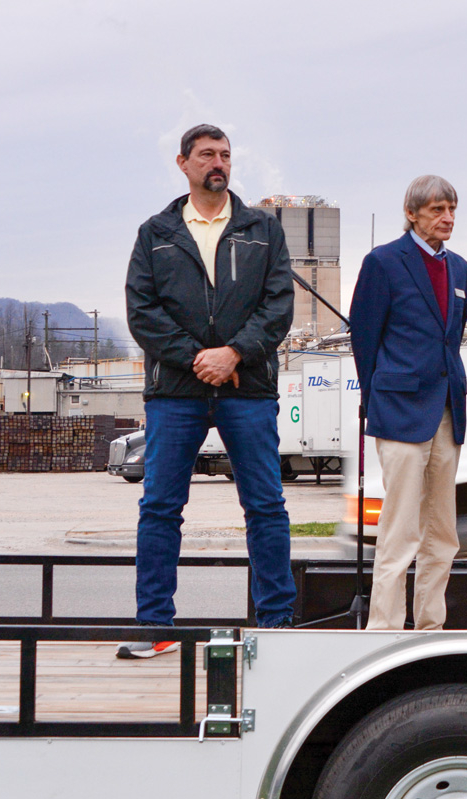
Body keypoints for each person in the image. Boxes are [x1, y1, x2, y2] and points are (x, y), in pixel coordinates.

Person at [121, 124, 297, 657]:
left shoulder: (263, 229)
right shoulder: (157, 233)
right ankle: (155, 628)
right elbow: (141, 312)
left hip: (249, 388)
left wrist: (235, 353)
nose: (217, 163)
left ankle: (277, 625)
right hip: (176, 391)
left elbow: (279, 304)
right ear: (183, 164)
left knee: (265, 506)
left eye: (224, 155)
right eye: (206, 155)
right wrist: (199, 359)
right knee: (160, 507)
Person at [349, 175, 467, 631]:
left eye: (452, 209)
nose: (447, 218)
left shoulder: (459, 268)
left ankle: (429, 627)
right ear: (412, 212)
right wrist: (377, 396)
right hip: (400, 410)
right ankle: (382, 629)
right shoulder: (383, 262)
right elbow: (365, 338)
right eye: (438, 209)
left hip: (446, 410)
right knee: (399, 529)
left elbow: (450, 338)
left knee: (443, 532)